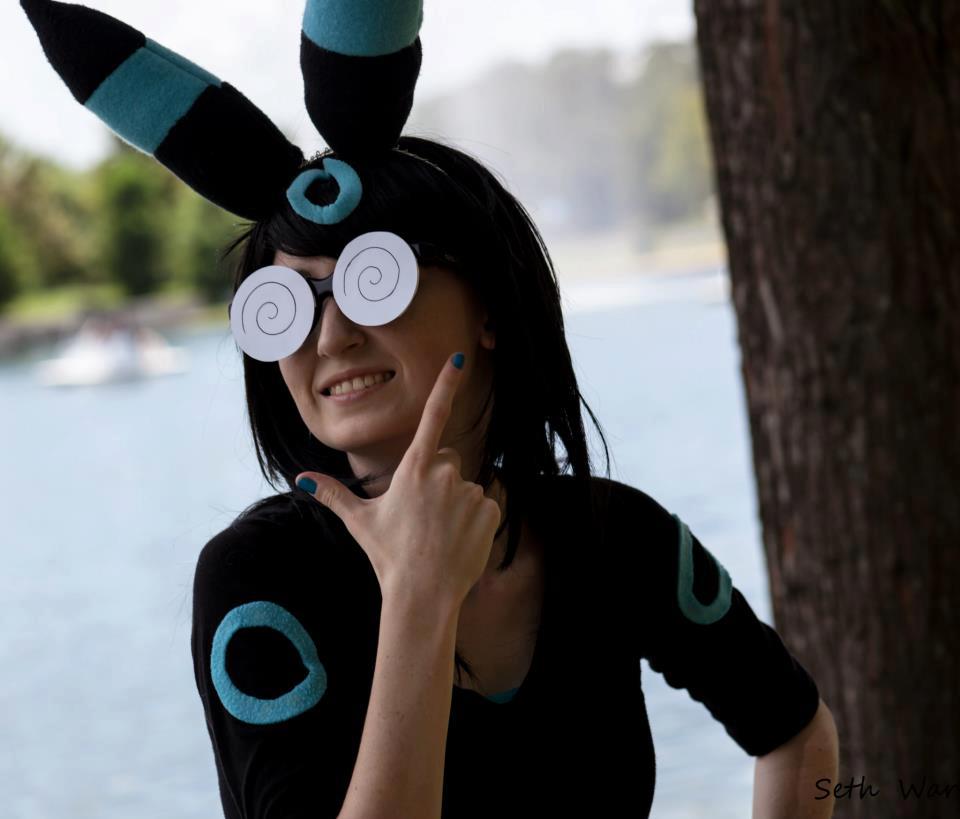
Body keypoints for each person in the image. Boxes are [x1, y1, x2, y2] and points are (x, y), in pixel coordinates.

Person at [22, 1, 837, 817]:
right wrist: (420, 592)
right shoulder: (261, 579)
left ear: (487, 305)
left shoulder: (613, 536)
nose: (331, 336)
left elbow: (797, 732)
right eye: (287, 306)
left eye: (374, 279)